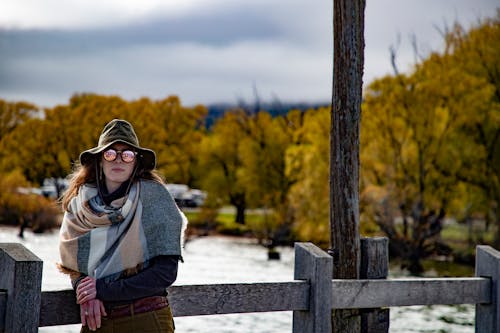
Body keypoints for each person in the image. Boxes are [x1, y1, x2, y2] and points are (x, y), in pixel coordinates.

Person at [58, 119, 186, 332]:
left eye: (127, 154)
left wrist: (102, 290)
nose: (118, 159)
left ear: (136, 162)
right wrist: (84, 289)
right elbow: (75, 265)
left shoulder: (155, 198)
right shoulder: (79, 205)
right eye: (110, 153)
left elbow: (165, 273)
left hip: (146, 319)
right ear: (99, 160)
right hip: (97, 321)